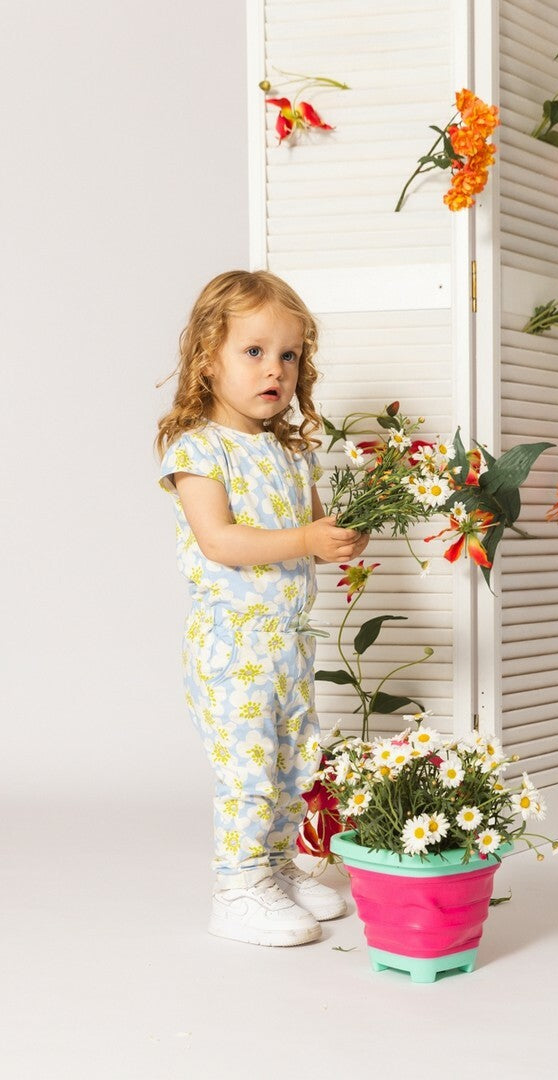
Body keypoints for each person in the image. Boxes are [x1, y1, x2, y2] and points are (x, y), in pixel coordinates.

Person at [156, 270, 369, 946]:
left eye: (289, 354)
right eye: (253, 351)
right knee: (249, 769)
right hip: (233, 649)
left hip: (288, 644)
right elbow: (221, 541)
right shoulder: (198, 449)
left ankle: (275, 869)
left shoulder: (289, 451)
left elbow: (309, 533)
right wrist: (307, 539)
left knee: (292, 765)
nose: (275, 368)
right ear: (207, 358)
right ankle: (238, 887)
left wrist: (339, 537)